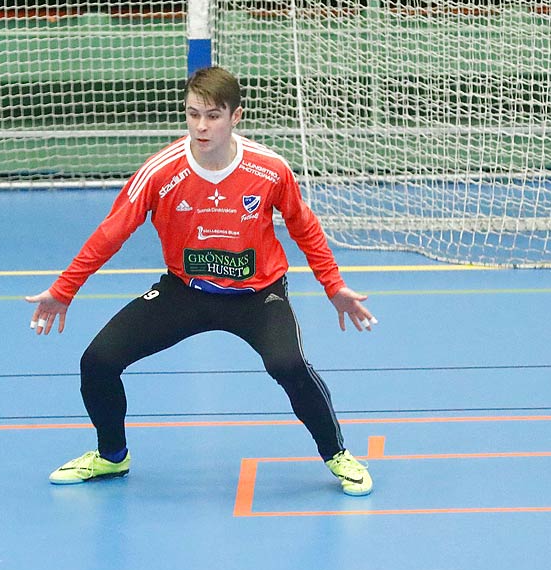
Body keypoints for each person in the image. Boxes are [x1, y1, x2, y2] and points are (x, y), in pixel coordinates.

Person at [25, 65, 379, 495]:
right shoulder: (161, 171)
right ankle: (110, 457)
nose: (201, 125)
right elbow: (113, 231)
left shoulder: (270, 169)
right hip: (185, 291)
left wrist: (333, 286)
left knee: (287, 365)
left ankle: (337, 454)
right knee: (97, 362)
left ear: (236, 117)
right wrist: (64, 290)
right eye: (193, 114)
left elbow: (304, 226)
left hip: (257, 295)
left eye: (212, 115)